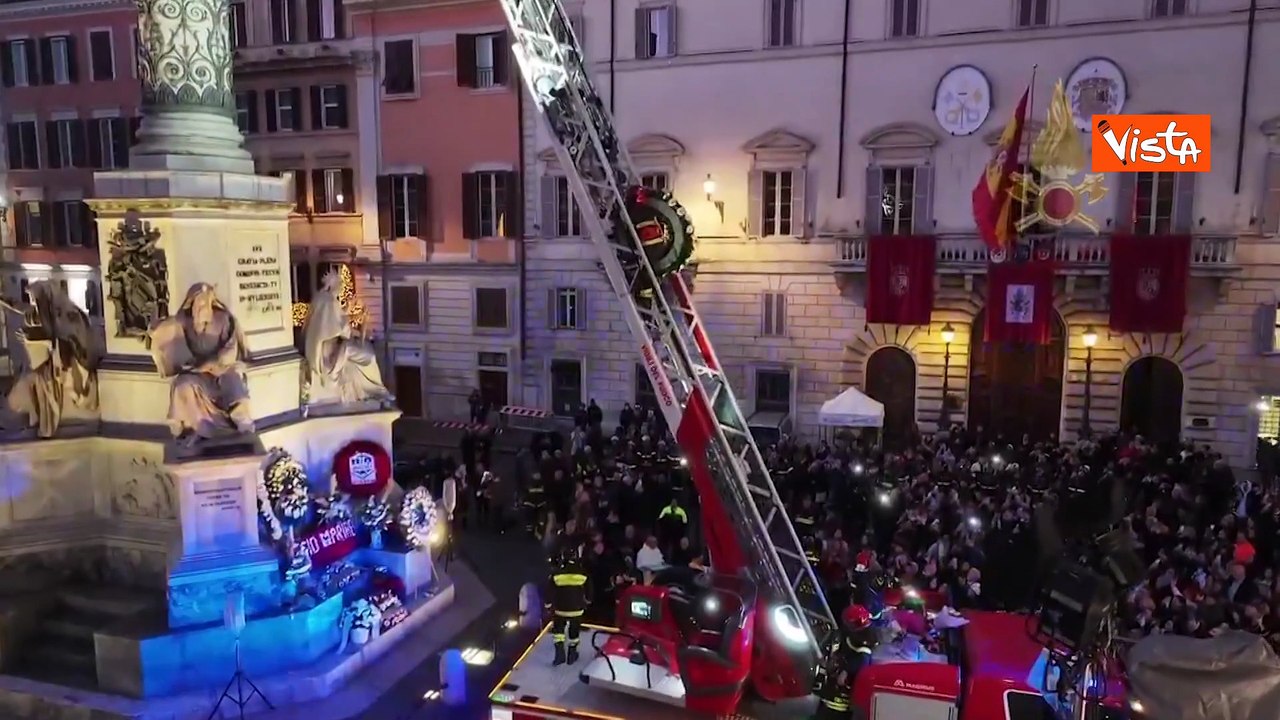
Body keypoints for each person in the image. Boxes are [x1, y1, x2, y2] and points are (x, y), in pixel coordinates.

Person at [147, 283, 253, 443]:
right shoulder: (185, 320)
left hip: (221, 369)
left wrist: (213, 364)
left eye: (204, 302)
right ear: (192, 303)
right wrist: (155, 330)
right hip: (197, 372)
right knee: (183, 384)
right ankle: (197, 428)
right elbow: (167, 327)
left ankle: (243, 424)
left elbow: (230, 350)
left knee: (233, 382)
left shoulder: (223, 319)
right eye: (197, 303)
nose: (200, 307)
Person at [302, 269, 390, 405]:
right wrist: (357, 317)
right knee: (363, 355)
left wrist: (350, 314)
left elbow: (335, 320)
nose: (341, 289)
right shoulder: (330, 301)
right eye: (340, 286)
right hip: (328, 352)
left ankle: (377, 390)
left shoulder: (320, 298)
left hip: (324, 348)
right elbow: (340, 328)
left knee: (365, 352)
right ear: (334, 285)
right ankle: (374, 389)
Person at [812, 604, 877, 720]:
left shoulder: (862, 650)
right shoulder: (844, 639)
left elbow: (844, 678)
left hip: (840, 703)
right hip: (833, 697)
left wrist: (846, 671)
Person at [549, 545, 590, 666]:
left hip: (560, 609)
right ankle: (572, 655)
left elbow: (549, 590)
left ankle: (559, 655)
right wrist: (587, 601)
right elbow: (589, 589)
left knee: (558, 633)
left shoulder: (556, 573)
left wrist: (548, 605)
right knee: (574, 632)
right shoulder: (582, 572)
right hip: (576, 610)